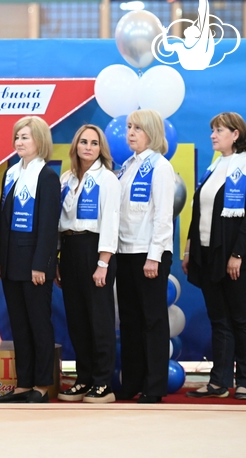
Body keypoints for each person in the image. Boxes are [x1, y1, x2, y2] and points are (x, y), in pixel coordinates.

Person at [0, 116, 60, 404]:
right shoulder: (11, 173)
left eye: (26, 137)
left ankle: (42, 385)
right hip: (10, 261)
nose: (19, 142)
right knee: (19, 324)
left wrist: (40, 264)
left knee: (38, 324)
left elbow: (48, 225)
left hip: (34, 264)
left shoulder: (47, 176)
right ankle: (23, 384)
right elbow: (2, 218)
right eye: (17, 137)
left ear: (40, 141)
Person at [183, 112, 246, 400]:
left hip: (234, 257)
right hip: (208, 253)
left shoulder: (243, 166)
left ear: (236, 134)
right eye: (212, 130)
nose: (212, 135)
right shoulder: (214, 167)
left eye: (219, 130)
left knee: (240, 319)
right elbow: (199, 213)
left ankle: (244, 379)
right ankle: (219, 382)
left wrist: (237, 254)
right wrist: (189, 249)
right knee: (219, 319)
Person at [55, 124, 120, 403]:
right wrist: (57, 257)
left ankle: (102, 382)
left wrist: (103, 262)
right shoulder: (67, 179)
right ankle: (83, 379)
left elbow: (111, 222)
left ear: (100, 148)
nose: (88, 147)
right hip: (69, 249)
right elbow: (58, 221)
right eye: (84, 142)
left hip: (95, 250)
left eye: (94, 143)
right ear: (76, 146)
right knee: (77, 318)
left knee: (99, 318)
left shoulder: (107, 179)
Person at [114, 109, 174, 404]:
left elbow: (164, 216)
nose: (131, 133)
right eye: (128, 127)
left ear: (152, 132)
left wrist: (155, 256)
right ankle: (132, 381)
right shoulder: (127, 166)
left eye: (137, 128)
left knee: (152, 321)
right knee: (129, 320)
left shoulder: (159, 166)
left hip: (149, 254)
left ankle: (154, 385)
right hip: (125, 252)